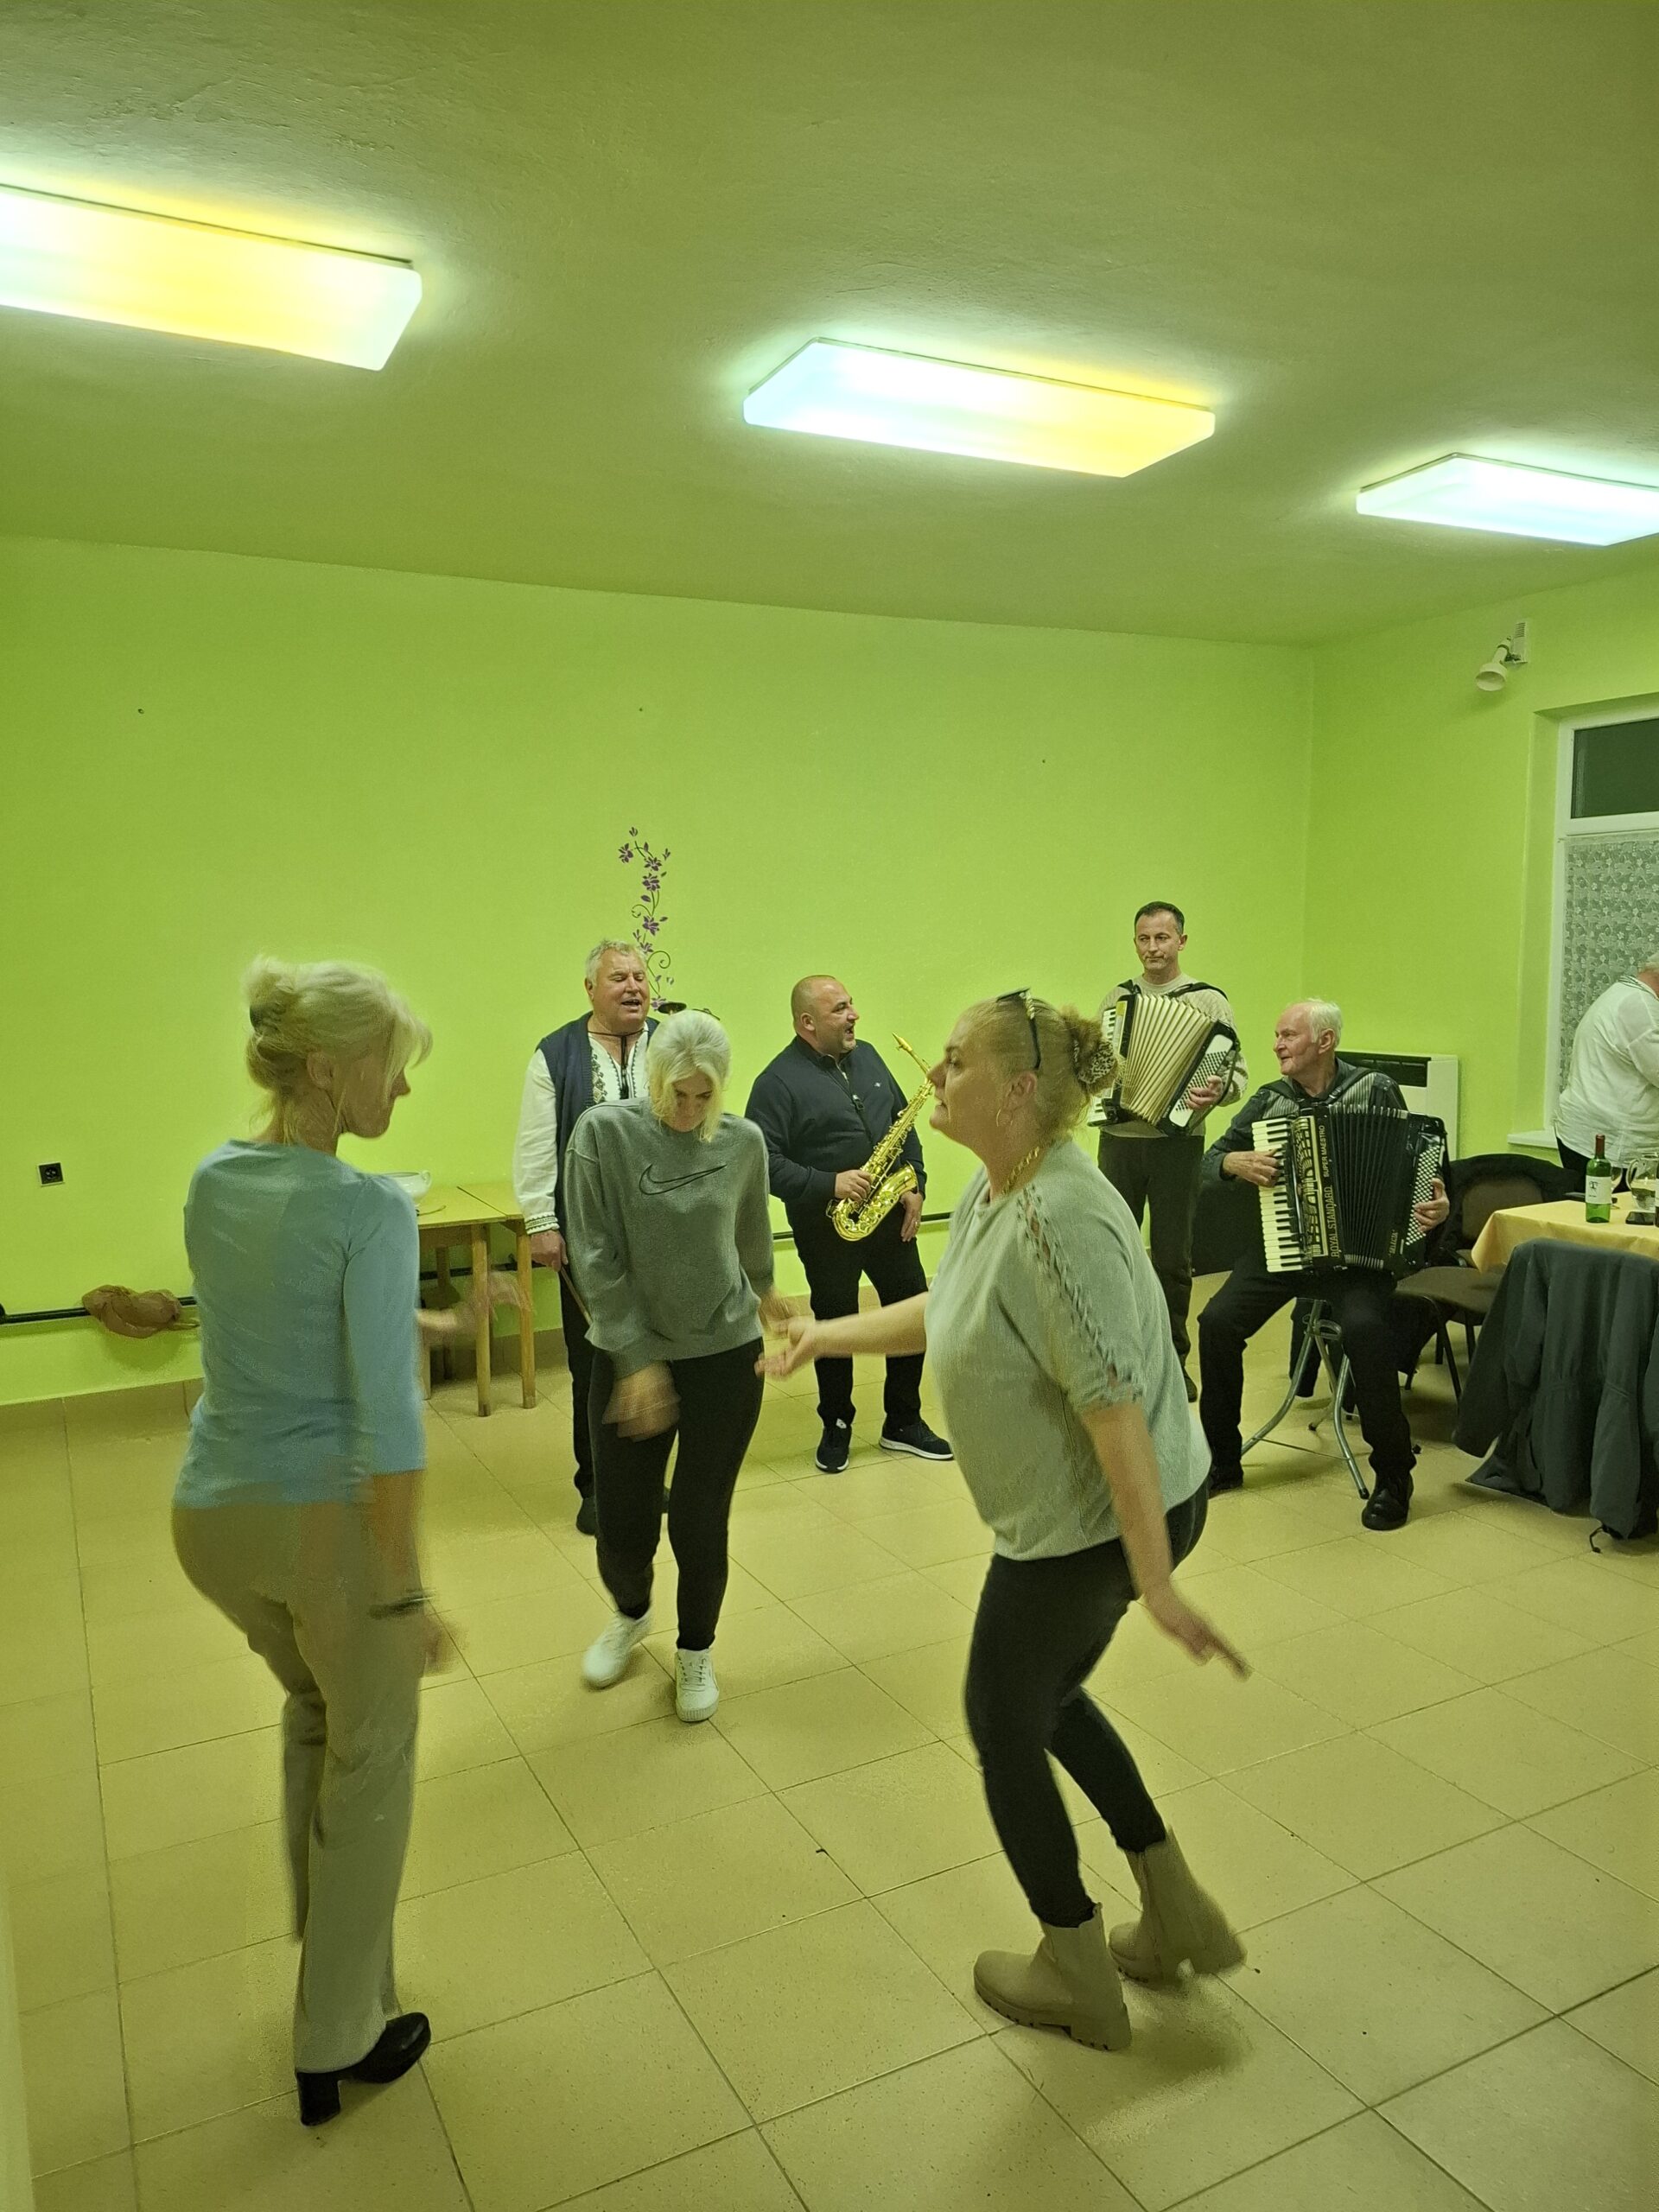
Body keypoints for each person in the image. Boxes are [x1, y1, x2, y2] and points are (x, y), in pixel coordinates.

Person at [762, 991, 1245, 2052]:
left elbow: (1114, 1407)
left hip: (1095, 1527)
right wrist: (825, 1336)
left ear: (1019, 1089)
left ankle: (1076, 1968)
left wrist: (1154, 1580)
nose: (935, 1076)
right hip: (1100, 1518)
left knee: (1001, 1715)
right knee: (1047, 1695)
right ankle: (1175, 1910)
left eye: (956, 1061)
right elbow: (950, 1307)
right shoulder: (1006, 1181)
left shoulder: (1054, 1218)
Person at [172, 958, 494, 2127]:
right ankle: (340, 2034)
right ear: (324, 1068)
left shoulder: (217, 1179)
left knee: (318, 1708)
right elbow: (391, 1424)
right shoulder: (368, 1207)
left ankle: (334, 1961)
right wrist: (402, 1591)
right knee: (374, 1759)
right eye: (390, 1068)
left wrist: (438, 1317)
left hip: (212, 1519)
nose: (401, 1090)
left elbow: (283, 1305)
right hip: (317, 1526)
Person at [566, 1011, 791, 1722]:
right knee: (621, 1524)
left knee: (700, 1519)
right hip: (631, 1353)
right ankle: (631, 1611)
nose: (689, 1109)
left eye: (704, 1096)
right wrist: (636, 1362)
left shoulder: (743, 1142)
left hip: (724, 1353)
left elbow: (750, 1231)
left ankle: (696, 1648)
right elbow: (595, 1258)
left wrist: (768, 1295)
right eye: (676, 1094)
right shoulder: (603, 1134)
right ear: (652, 1076)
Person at [1198, 999, 1449, 1531]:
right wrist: (1232, 1162)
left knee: (1365, 1330)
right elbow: (1208, 1161)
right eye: (1277, 1035)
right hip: (1285, 1248)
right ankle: (1221, 1460)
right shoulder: (1270, 1100)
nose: (1277, 1045)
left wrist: (1438, 1205)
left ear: (1325, 1042)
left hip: (1359, 1261)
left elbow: (1416, 1167)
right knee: (1217, 1322)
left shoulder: (1375, 1089)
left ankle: (1394, 1475)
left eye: (1288, 1035)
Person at [746, 976, 951, 1473]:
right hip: (826, 1228)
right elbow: (763, 1163)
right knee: (834, 1323)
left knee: (911, 1311)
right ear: (807, 1023)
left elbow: (904, 1126)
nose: (854, 1015)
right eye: (840, 1009)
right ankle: (835, 1423)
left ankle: (903, 1421)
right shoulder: (776, 1083)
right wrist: (828, 1182)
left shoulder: (872, 1057)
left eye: (851, 1005)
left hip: (891, 1218)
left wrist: (915, 1184)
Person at [513, 939, 658, 1533]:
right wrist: (541, 1223)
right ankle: (596, 1486)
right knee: (596, 1365)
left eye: (639, 976)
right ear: (590, 989)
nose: (633, 987)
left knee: (658, 1357)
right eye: (618, 977)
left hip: (662, 1236)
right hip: (587, 1240)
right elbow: (535, 1146)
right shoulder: (556, 1054)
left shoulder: (669, 1043)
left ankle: (647, 1480)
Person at [1096, 902, 1249, 1401]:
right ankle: (1114, 1359)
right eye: (1144, 939)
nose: (1152, 948)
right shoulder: (1118, 999)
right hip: (1119, 1140)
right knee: (1113, 1254)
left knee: (1172, 1258)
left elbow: (1236, 1077)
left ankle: (1171, 1362)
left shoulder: (1210, 1002)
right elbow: (1095, 1065)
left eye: (1162, 938)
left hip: (1178, 1145)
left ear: (1181, 941)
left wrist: (1216, 1092)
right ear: (1135, 943)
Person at [1554, 957, 1659, 1182]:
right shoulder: (1640, 1007)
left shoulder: (1622, 994)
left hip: (1587, 1133)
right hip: (1613, 1145)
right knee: (1614, 1205)